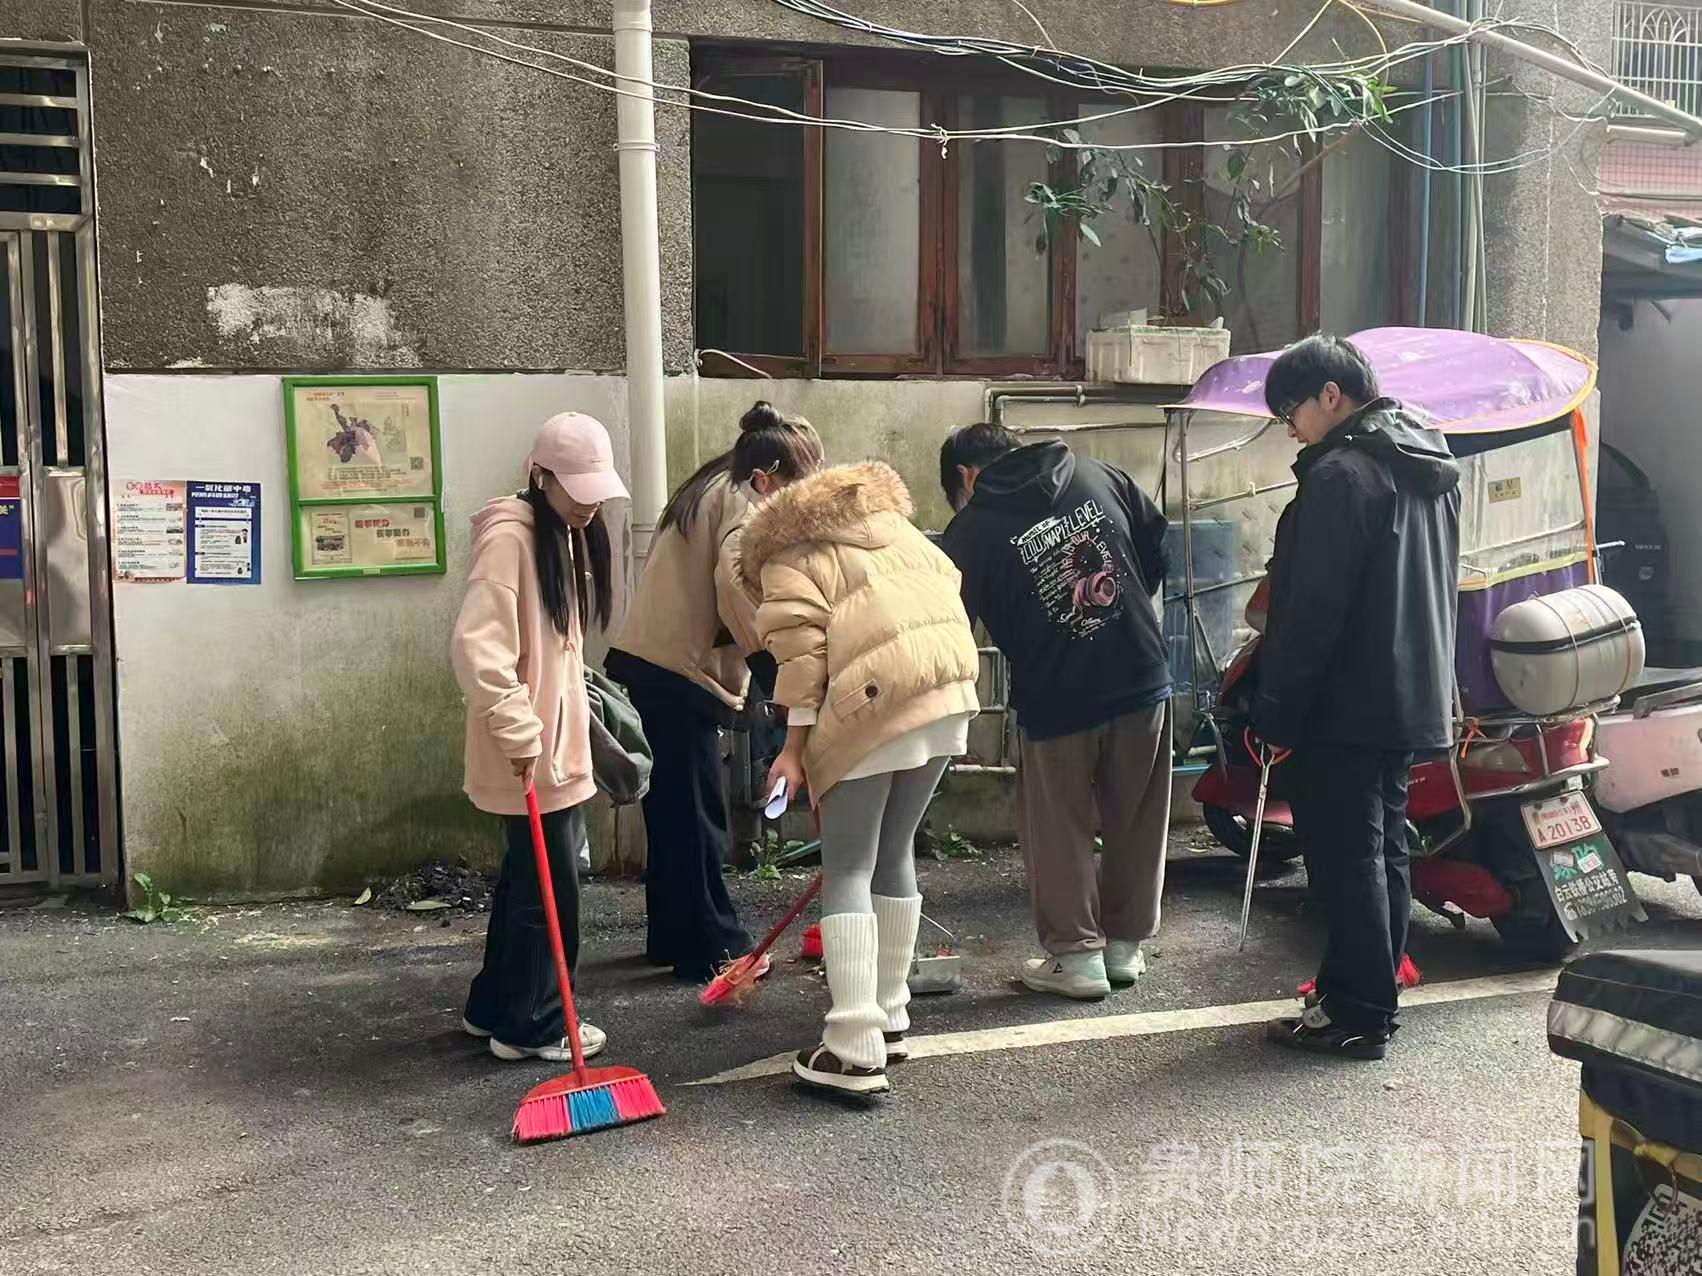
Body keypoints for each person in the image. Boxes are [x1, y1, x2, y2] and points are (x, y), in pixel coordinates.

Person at [740, 459, 980, 1096]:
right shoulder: (897, 528)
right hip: (947, 692)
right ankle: (890, 1015)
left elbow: (801, 658)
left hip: (870, 701)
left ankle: (851, 1046)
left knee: (847, 867)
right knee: (894, 852)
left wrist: (793, 751)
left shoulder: (786, 555)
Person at [1254, 334, 1461, 1060]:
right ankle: (1362, 993)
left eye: (1291, 412)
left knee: (1348, 858)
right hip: (1407, 691)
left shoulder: (1343, 474)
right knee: (1384, 850)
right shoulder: (1426, 461)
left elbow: (1311, 611)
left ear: (1331, 395)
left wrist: (1277, 713)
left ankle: (1359, 1013)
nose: (1291, 429)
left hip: (1346, 699)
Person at [939, 424, 1173, 1001]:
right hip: (1139, 671)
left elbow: (951, 627)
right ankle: (1124, 949)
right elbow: (1156, 547)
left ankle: (1078, 957)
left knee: (1058, 823)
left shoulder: (971, 528)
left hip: (1056, 693)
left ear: (966, 475)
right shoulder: (1099, 474)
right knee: (1137, 813)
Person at [605, 402, 824, 982]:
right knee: (698, 816)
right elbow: (737, 584)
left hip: (655, 661)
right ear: (770, 476)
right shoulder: (746, 501)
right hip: (680, 670)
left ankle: (672, 937)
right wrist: (776, 669)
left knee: (673, 811)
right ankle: (715, 947)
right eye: (800, 483)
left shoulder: (714, 481)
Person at [453, 411, 624, 1062]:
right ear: (540, 476)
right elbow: (478, 650)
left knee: (527, 880)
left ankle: (494, 1006)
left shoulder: (559, 532)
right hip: (530, 751)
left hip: (549, 748)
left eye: (596, 489)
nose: (589, 504)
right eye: (576, 488)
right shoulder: (512, 539)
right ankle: (535, 1024)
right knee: (549, 890)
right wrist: (523, 733)